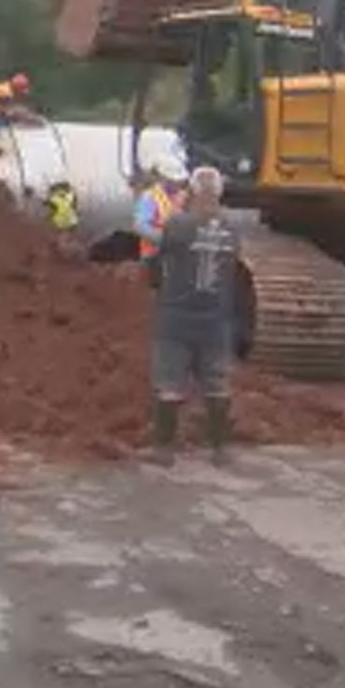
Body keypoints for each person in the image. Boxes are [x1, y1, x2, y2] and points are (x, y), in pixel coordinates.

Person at [146, 165, 239, 468]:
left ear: (192, 192)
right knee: (217, 384)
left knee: (169, 384)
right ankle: (221, 450)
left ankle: (164, 449)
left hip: (177, 318)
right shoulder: (231, 228)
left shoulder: (179, 225)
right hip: (216, 320)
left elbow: (157, 262)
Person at [133, 158, 189, 280]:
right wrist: (164, 239)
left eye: (179, 180)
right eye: (174, 180)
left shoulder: (183, 197)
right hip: (154, 255)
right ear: (164, 178)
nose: (177, 183)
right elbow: (140, 226)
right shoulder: (150, 197)